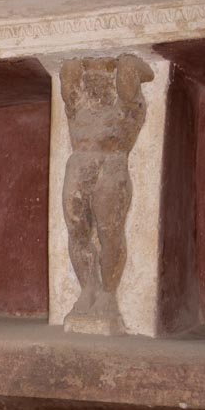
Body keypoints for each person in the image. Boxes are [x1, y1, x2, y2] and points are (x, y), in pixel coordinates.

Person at [60, 55, 153, 325]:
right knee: (77, 229)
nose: (98, 84)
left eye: (104, 78)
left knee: (108, 231)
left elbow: (136, 70)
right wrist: (82, 68)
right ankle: (88, 288)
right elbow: (69, 71)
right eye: (93, 80)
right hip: (79, 164)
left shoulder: (128, 102)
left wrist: (124, 66)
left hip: (111, 164)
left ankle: (108, 294)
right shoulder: (77, 101)